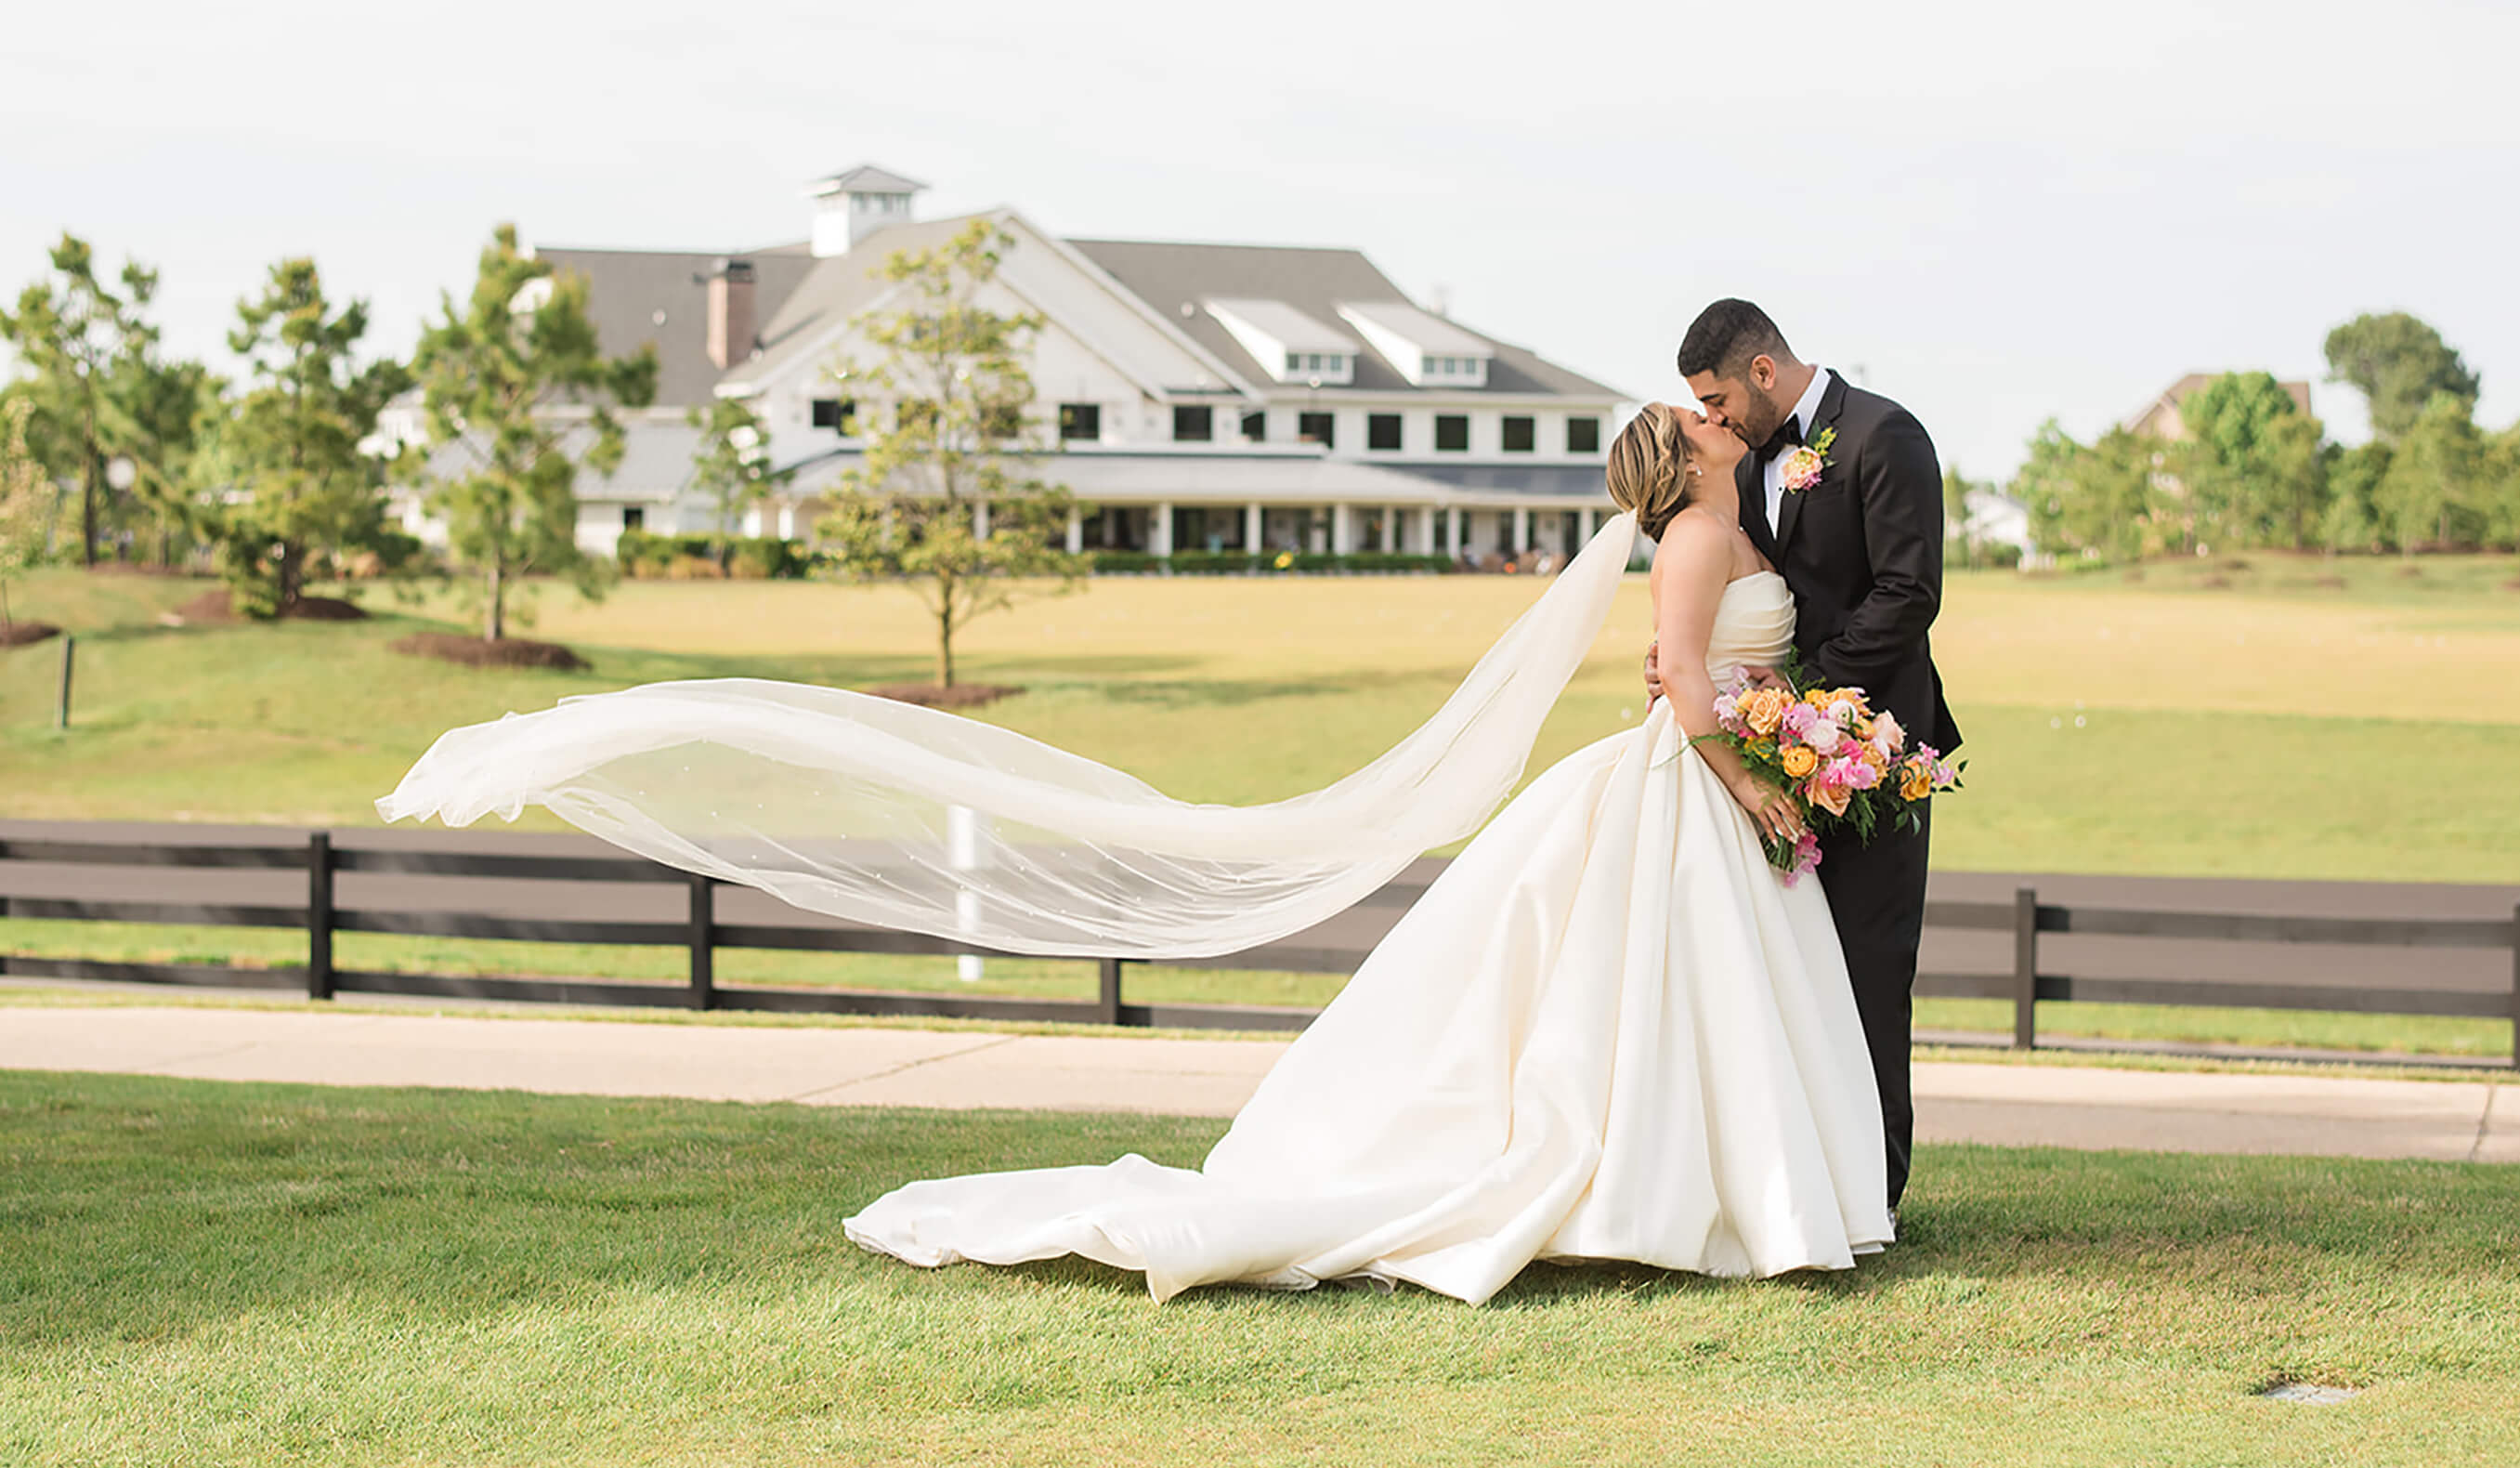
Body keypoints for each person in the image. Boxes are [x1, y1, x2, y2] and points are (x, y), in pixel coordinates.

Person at [837, 403, 1889, 1303]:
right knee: (1663, 986)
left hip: (1721, 770)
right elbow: (1689, 678)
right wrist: (1751, 777)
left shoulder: (1732, 525)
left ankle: (1730, 1190)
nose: (1719, 419)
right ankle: (1685, 1196)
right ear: (1685, 454)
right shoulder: (1702, 541)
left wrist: (1783, 729)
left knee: (1715, 993)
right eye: (1699, 415)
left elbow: (1692, 667)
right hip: (1697, 783)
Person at [1648, 299, 1958, 1216]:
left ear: (1761, 372)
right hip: (1766, 757)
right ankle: (1788, 1186)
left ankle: (1874, 1192)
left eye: (1714, 397)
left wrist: (1805, 697)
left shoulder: (1884, 436)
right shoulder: (1742, 473)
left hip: (1873, 750)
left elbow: (1910, 592)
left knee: (1867, 970)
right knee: (1781, 977)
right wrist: (1687, 660)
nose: (1712, 418)